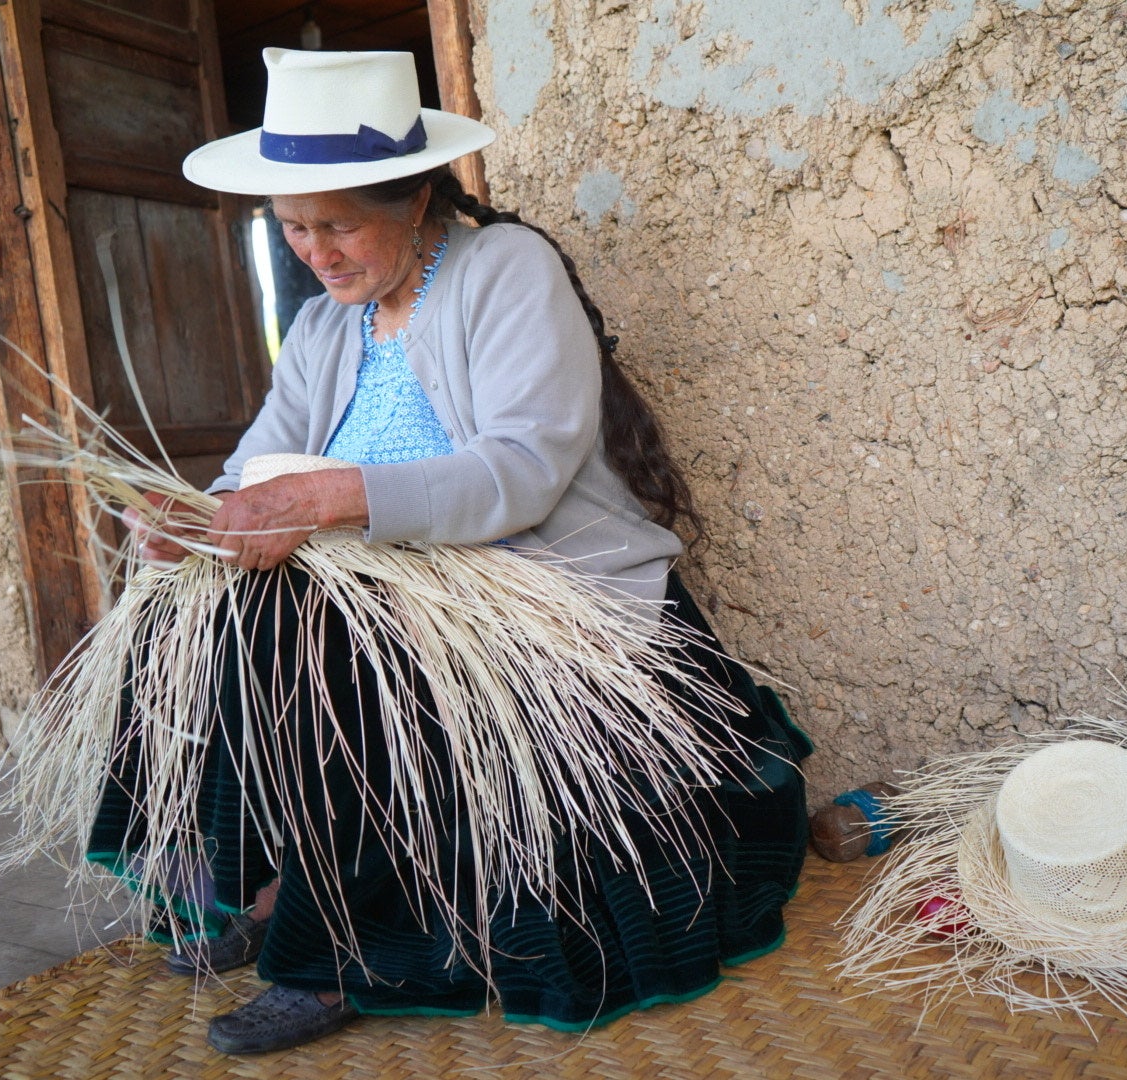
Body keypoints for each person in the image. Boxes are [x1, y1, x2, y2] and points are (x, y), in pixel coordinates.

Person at [91, 48, 809, 1056]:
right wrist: (195, 519)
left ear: (417, 195)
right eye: (295, 229)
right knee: (201, 607)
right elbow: (257, 459)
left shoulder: (505, 271)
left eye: (339, 224)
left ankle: (335, 951)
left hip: (528, 582)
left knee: (309, 633)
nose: (317, 253)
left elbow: (523, 468)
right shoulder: (320, 326)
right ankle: (273, 886)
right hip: (382, 588)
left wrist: (335, 494)